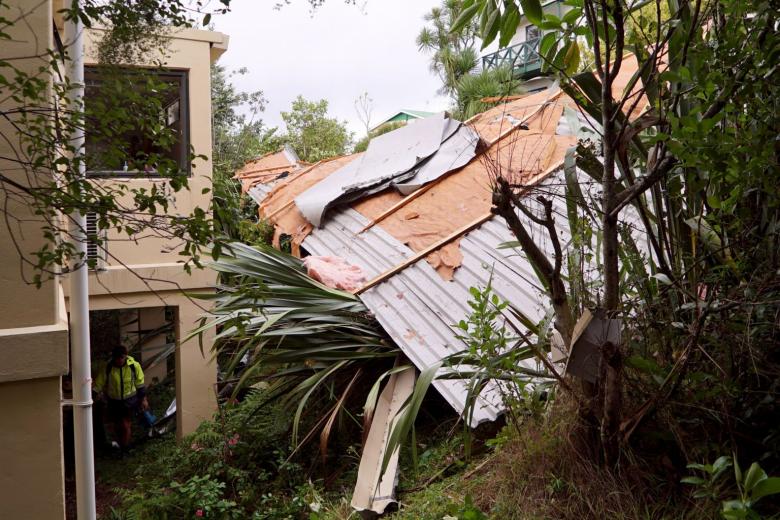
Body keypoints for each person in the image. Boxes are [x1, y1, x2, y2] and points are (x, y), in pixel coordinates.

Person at [94, 346, 148, 451]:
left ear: (126, 356)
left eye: (122, 357)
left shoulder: (134, 366)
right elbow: (99, 383)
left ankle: (125, 448)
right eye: (117, 358)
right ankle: (120, 444)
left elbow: (140, 384)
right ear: (113, 357)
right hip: (114, 401)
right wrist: (93, 394)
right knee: (116, 424)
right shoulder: (108, 368)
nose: (119, 360)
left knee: (125, 424)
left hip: (129, 400)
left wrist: (143, 399)